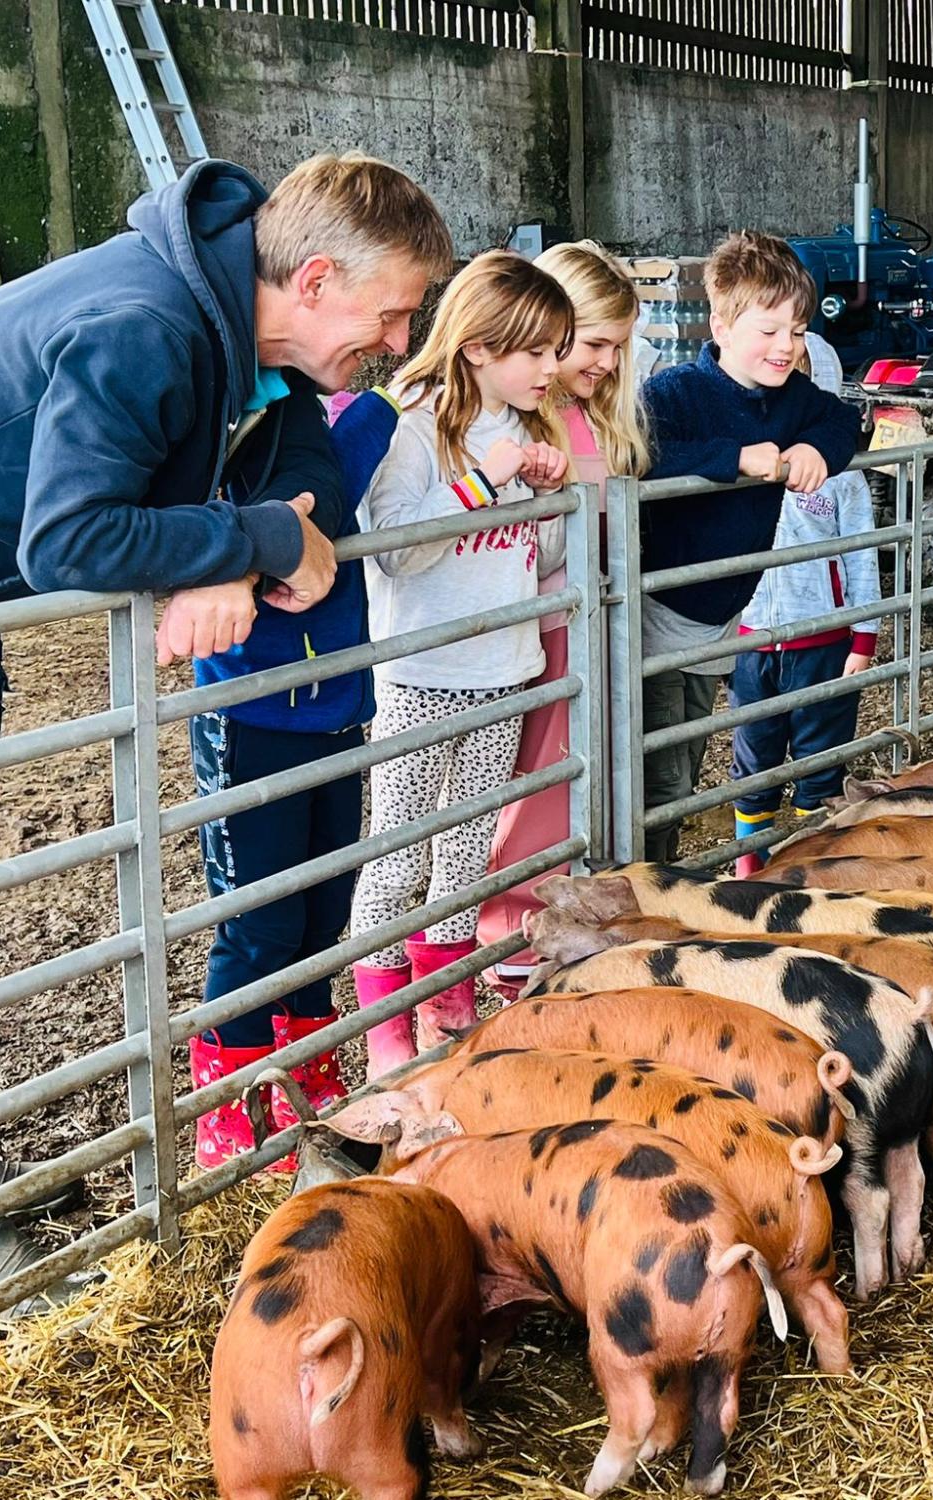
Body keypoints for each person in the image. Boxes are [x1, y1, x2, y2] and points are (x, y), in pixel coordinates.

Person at [0, 153, 448, 1315]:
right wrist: (247, 545)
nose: (399, 335)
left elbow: (305, 454)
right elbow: (69, 541)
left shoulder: (240, 329)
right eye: (393, 311)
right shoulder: (147, 327)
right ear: (315, 279)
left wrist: (257, 526)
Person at [184, 379, 421, 1170]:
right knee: (259, 926)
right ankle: (233, 1114)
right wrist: (378, 408)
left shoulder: (320, 417)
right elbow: (325, 492)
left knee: (323, 915)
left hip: (332, 710)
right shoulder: (238, 432)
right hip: (250, 714)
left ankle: (307, 1092)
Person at [347, 252, 573, 1073]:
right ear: (477, 346)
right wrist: (486, 481)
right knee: (399, 850)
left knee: (468, 847)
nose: (554, 369)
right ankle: (384, 1029)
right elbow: (398, 550)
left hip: (505, 665)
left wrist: (548, 493)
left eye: (558, 351)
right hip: (422, 677)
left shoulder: (525, 425)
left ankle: (446, 1005)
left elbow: (536, 551)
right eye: (538, 352)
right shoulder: (413, 422)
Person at [638, 230, 862, 862]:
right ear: (722, 324)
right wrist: (734, 459)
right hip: (659, 613)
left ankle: (654, 874)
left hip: (721, 617)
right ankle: (644, 883)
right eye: (768, 331)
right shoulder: (674, 394)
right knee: (664, 774)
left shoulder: (791, 399)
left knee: (686, 754)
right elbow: (644, 457)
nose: (786, 346)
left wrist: (817, 449)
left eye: (796, 329)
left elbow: (845, 418)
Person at [475, 240, 651, 998]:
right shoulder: (524, 423)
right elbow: (525, 536)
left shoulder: (584, 416)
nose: (608, 361)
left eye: (618, 347)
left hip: (588, 622)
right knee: (536, 785)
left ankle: (564, 912)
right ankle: (511, 932)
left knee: (581, 774)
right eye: (596, 343)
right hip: (543, 625)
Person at [727, 334, 879, 877]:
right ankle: (751, 866)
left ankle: (811, 866)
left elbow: (862, 555)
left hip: (824, 639)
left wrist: (864, 635)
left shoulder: (844, 476)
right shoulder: (745, 459)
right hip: (752, 636)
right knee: (753, 754)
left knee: (821, 755)